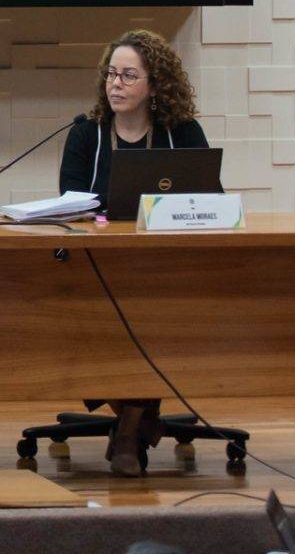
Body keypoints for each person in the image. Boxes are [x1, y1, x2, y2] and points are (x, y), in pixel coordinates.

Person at [57, 28, 208, 477]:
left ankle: (129, 427)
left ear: (155, 85)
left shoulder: (182, 133)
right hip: (96, 266)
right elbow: (69, 203)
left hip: (164, 268)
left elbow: (208, 197)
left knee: (151, 311)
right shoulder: (85, 134)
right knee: (115, 314)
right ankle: (139, 422)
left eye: (128, 75)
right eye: (111, 74)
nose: (115, 84)